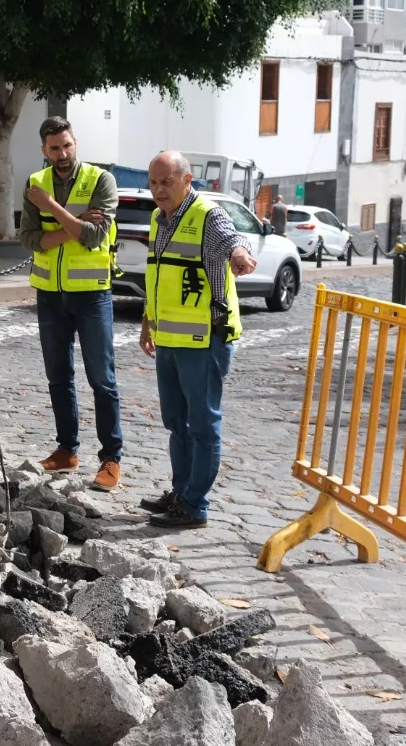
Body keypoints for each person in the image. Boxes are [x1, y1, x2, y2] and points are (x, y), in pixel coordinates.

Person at [139, 151, 256, 529]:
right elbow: (157, 276)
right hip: (169, 340)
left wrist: (240, 255)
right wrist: (147, 320)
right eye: (153, 182)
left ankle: (194, 505)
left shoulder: (206, 215)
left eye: (166, 182)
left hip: (205, 339)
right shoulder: (159, 218)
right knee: (176, 423)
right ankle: (181, 493)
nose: (158, 190)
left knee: (202, 425)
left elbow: (232, 239)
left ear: (187, 181)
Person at [20, 117, 124, 491]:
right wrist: (73, 224)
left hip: (92, 295)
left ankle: (111, 458)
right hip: (50, 295)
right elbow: (30, 239)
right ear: (43, 150)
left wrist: (52, 209)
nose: (62, 155)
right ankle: (67, 451)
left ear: (75, 142)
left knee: (102, 379)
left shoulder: (101, 181)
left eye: (67, 146)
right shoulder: (35, 183)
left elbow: (95, 236)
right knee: (58, 377)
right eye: (54, 148)